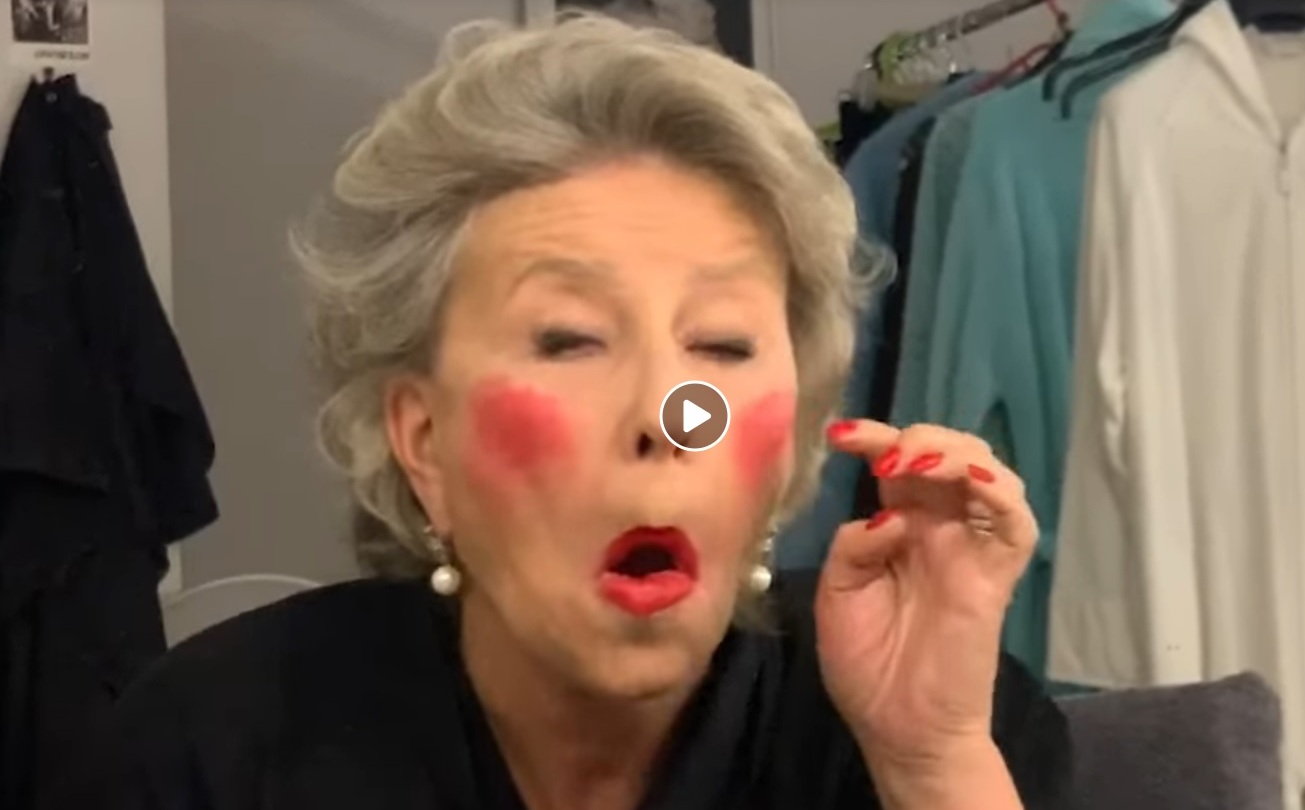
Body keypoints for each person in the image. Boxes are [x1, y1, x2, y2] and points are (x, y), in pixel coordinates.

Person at [52, 12, 1072, 810]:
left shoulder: (931, 714)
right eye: (569, 340)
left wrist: (931, 765)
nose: (665, 416)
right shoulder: (209, 753)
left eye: (721, 347)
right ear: (424, 442)